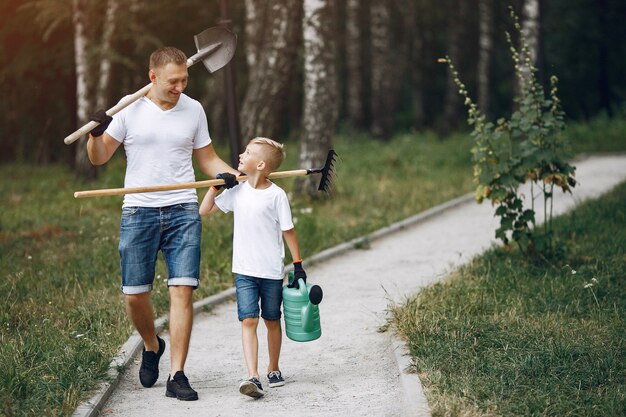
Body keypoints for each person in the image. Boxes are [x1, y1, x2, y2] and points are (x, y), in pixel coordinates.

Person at [86, 46, 239, 401]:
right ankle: (153, 345)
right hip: (138, 211)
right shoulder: (128, 107)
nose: (180, 87)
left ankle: (177, 374)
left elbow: (208, 158)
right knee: (135, 295)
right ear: (152, 77)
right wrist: (96, 134)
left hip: (182, 211)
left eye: (185, 79)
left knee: (182, 291)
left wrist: (236, 176)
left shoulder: (194, 109)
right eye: (173, 81)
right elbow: (99, 158)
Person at [199, 137, 308, 398]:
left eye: (247, 153)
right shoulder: (236, 190)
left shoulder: (277, 195)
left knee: (272, 319)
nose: (240, 155)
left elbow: (288, 232)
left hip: (271, 271)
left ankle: (273, 368)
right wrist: (215, 188)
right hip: (244, 271)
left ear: (260, 164)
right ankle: (253, 376)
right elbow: (204, 211)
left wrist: (298, 264)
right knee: (248, 319)